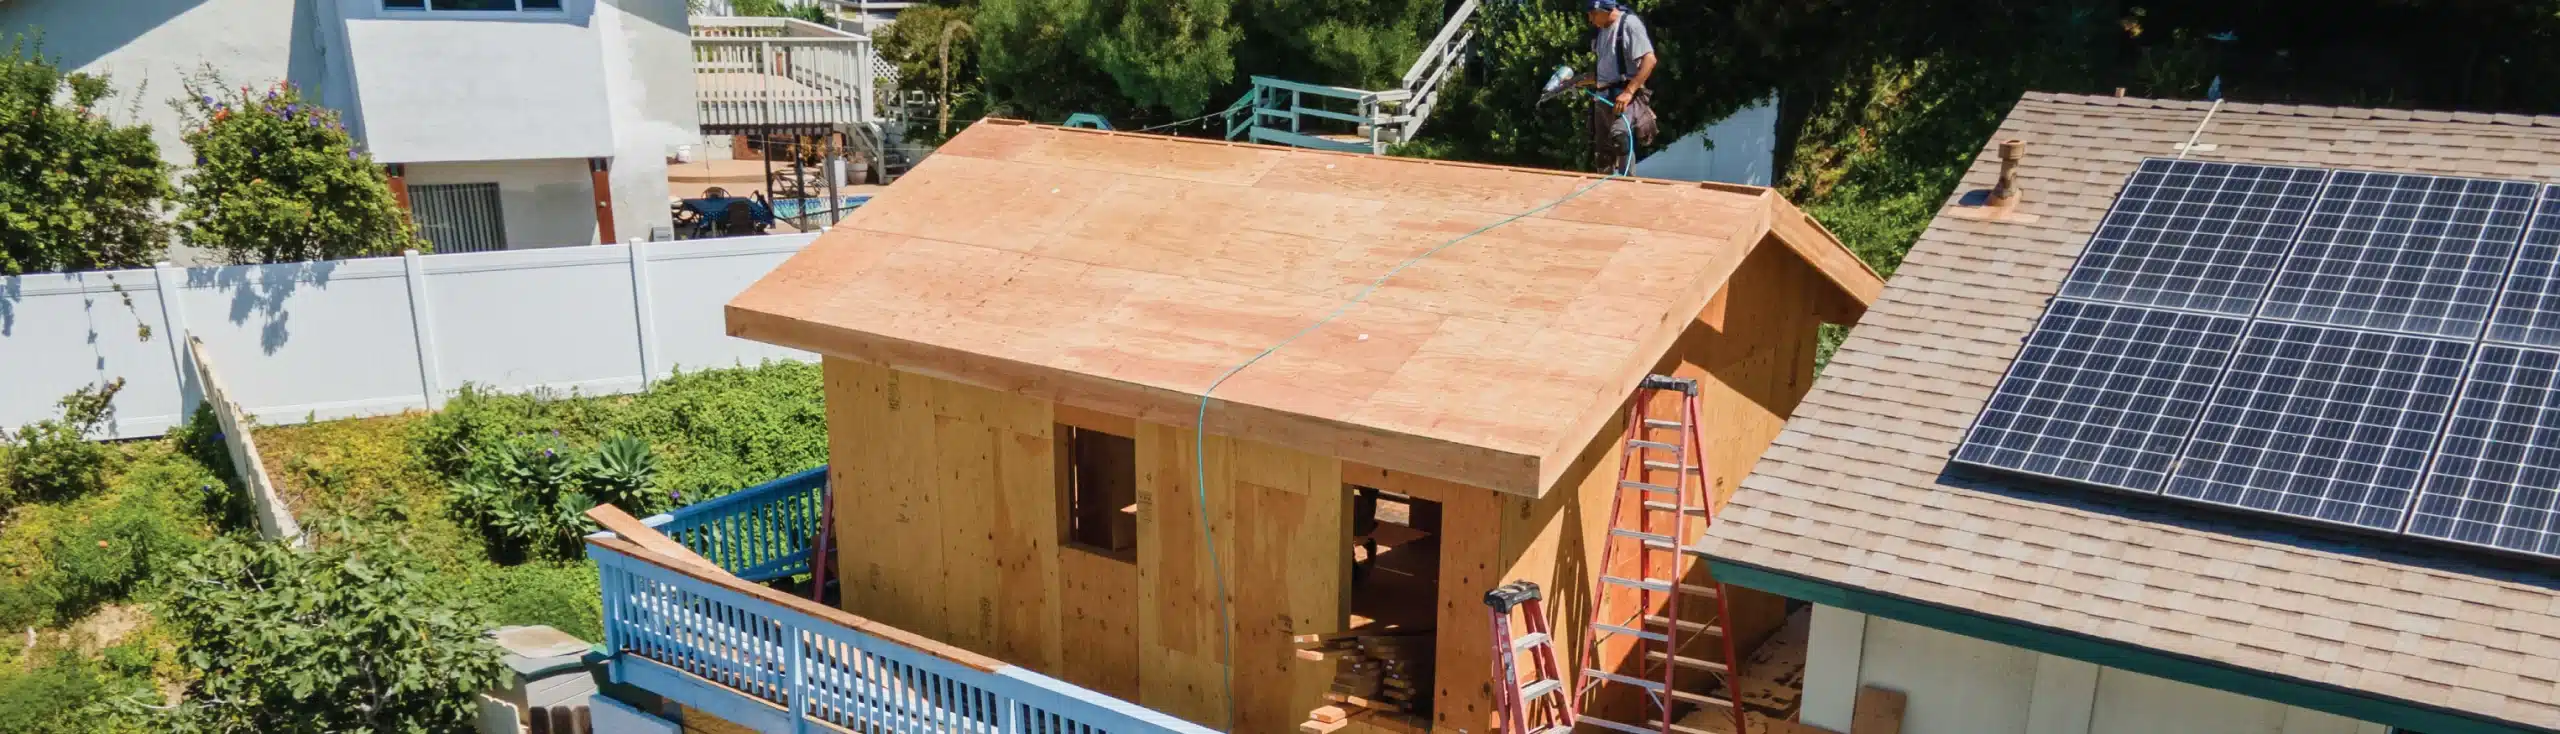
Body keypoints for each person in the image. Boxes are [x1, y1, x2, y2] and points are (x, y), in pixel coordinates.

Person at [1579, 0, 1658, 174]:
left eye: (1593, 14)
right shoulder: (1600, 33)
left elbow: (1650, 60)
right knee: (1602, 155)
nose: (1591, 20)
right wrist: (1576, 81)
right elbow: (1605, 73)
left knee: (1620, 139)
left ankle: (1626, 190)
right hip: (1603, 99)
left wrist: (1629, 92)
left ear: (1604, 10)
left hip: (1623, 98)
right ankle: (1605, 195)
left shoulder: (1629, 24)